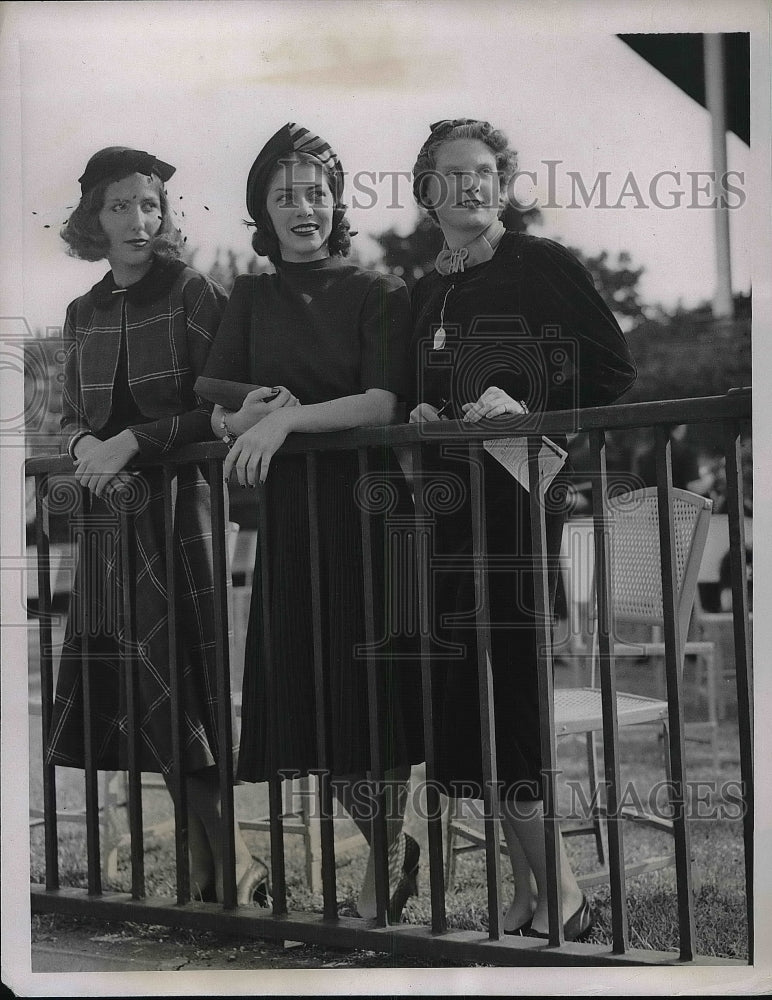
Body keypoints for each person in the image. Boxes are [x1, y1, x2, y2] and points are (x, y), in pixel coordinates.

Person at [408, 119, 637, 940]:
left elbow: (612, 369)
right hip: (445, 515)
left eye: (483, 174)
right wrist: (422, 410)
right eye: (450, 174)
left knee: (514, 698)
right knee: (472, 707)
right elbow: (418, 386)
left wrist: (531, 407)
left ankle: (563, 894)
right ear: (426, 187)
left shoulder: (541, 264)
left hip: (514, 507)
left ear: (500, 185)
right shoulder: (430, 286)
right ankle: (539, 889)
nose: (468, 187)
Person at [202, 123, 424, 921]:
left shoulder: (377, 293)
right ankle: (390, 844)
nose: (305, 209)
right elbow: (220, 406)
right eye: (286, 195)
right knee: (311, 688)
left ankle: (383, 854)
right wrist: (246, 417)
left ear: (339, 204)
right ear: (262, 206)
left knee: (368, 689)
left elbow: (381, 402)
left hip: (366, 513)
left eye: (319, 193)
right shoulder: (250, 298)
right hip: (291, 521)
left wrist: (282, 425)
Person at [49, 147, 266, 906]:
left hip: (183, 505)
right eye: (120, 206)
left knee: (184, 686)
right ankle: (211, 868)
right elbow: (72, 417)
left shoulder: (193, 292)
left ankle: (229, 862)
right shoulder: (83, 311)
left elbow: (220, 407)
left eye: (150, 204)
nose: (139, 220)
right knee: (144, 691)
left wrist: (134, 442)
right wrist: (85, 446)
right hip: (111, 516)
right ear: (93, 219)